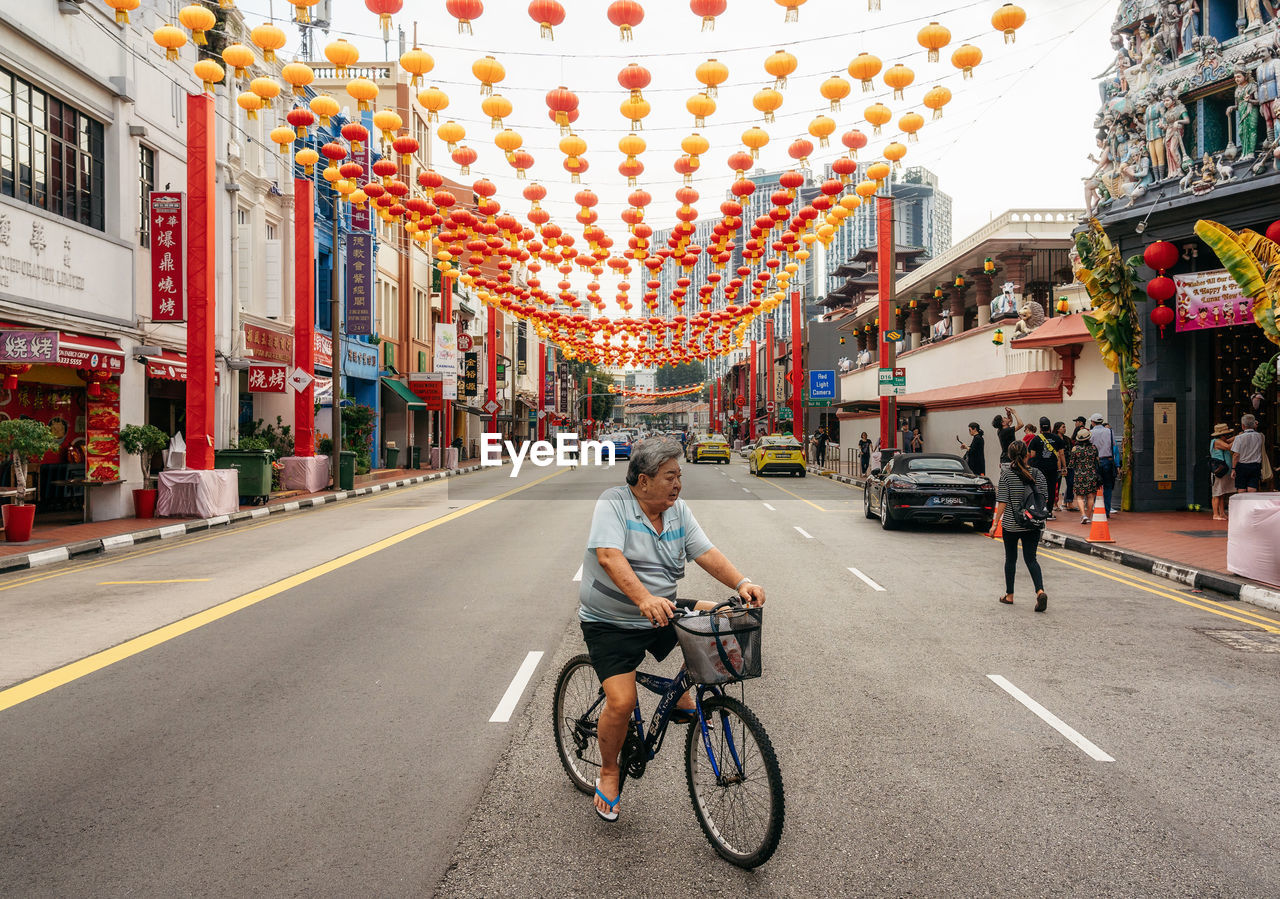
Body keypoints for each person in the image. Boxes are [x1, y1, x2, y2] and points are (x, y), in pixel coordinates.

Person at [579, 438, 766, 822]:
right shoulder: (613, 503)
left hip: (661, 609)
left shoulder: (678, 511)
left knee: (716, 616)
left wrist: (741, 583)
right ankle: (609, 770)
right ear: (644, 481)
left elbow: (706, 552)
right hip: (612, 621)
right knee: (621, 701)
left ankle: (680, 695)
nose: (678, 483)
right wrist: (643, 598)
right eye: (670, 476)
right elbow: (609, 556)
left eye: (679, 475)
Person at [990, 440, 1049, 612]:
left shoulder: (1007, 474)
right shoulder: (1038, 474)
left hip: (1012, 524)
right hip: (1033, 523)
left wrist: (995, 524)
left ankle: (1009, 595)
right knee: (1031, 559)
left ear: (1009, 456)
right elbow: (1044, 499)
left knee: (1011, 559)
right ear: (1028, 454)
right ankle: (1040, 591)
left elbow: (1002, 501)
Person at [1029, 416, 1060, 520]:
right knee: (1051, 489)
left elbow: (1032, 455)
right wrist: (1063, 467)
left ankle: (1040, 509)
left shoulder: (1036, 439)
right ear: (1050, 426)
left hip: (1039, 469)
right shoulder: (1056, 438)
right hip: (1052, 468)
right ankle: (1049, 511)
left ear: (1040, 427)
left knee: (1039, 489)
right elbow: (1061, 454)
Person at [1069, 427, 1101, 524]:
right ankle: (1088, 515)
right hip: (1091, 474)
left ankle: (1083, 515)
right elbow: (1097, 462)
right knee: (1090, 496)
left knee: (1079, 496)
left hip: (1079, 475)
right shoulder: (1094, 448)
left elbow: (1071, 464)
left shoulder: (1075, 449)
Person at [1089, 413, 1118, 515]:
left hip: (1096, 461)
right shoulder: (1109, 431)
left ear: (1093, 422)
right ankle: (1106, 510)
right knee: (1108, 486)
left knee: (1096, 485)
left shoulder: (1091, 433)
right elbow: (1113, 444)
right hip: (1108, 460)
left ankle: (1098, 508)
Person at [1232, 413, 1265, 493]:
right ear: (1254, 424)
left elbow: (1236, 455)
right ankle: (1251, 504)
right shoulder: (1260, 436)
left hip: (1242, 466)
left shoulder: (1239, 438)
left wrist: (1233, 469)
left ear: (1243, 425)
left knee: (1241, 488)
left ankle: (1243, 505)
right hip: (1255, 465)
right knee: (1252, 488)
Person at [1209, 422, 1236, 520]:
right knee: (1216, 493)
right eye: (1226, 435)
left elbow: (1228, 441)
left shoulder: (1221, 440)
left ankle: (1222, 513)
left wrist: (1238, 436)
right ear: (1221, 435)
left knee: (1222, 493)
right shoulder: (1217, 441)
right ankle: (1215, 514)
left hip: (1224, 472)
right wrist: (1239, 439)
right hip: (1219, 471)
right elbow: (1229, 446)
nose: (1228, 437)